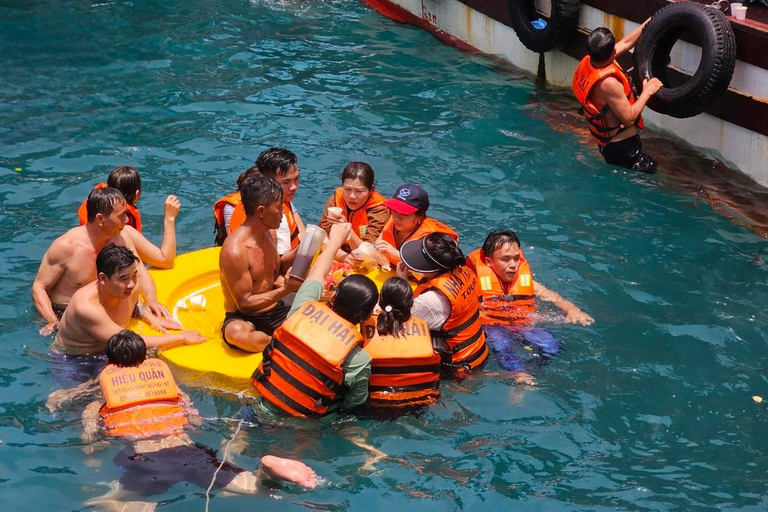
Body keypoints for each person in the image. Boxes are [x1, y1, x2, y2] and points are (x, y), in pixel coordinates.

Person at [52, 330, 316, 510]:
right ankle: (265, 471)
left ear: (109, 364)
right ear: (146, 360)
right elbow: (196, 422)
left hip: (146, 461)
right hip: (189, 452)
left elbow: (89, 439)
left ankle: (117, 497)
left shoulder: (100, 403)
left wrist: (91, 453)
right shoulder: (174, 391)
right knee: (257, 488)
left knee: (125, 499)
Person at [251, 222, 379, 418]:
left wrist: (335, 240)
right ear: (367, 316)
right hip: (307, 426)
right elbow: (355, 401)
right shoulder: (358, 359)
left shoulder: (302, 309)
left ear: (333, 296)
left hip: (262, 406)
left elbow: (318, 272)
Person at [52, 244, 204, 387]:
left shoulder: (129, 289)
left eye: (134, 276)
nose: (131, 284)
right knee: (92, 405)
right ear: (103, 278)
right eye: (123, 278)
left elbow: (135, 306)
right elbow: (129, 342)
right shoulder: (86, 306)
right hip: (76, 361)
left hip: (111, 352)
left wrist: (149, 317)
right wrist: (182, 337)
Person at [33, 187, 170, 336]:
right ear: (100, 219)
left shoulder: (119, 240)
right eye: (121, 216)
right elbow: (39, 287)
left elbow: (137, 275)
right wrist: (52, 320)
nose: (126, 220)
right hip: (65, 315)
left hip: (103, 309)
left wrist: (150, 304)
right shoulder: (66, 247)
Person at [219, 173, 301, 352]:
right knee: (236, 334)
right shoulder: (235, 250)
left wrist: (304, 250)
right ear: (261, 211)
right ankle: (283, 340)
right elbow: (245, 304)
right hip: (246, 317)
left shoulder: (268, 233)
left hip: (277, 307)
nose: (283, 213)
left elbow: (276, 269)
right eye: (279, 208)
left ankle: (280, 339)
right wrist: (285, 289)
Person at [572, 21, 663, 173]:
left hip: (610, 145)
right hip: (622, 149)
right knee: (658, 177)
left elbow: (627, 42)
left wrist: (654, 19)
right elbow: (629, 118)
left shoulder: (590, 60)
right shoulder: (608, 84)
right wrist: (647, 91)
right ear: (612, 52)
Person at [398, 233, 488, 377]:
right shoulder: (466, 272)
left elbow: (397, 320)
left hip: (457, 369)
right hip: (478, 352)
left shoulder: (432, 300)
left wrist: (401, 282)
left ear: (431, 268)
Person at [466, 230, 594, 326]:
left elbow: (554, 298)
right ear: (489, 262)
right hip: (495, 329)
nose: (513, 265)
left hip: (524, 325)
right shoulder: (473, 285)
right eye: (505, 259)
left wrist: (572, 310)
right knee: (508, 356)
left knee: (551, 347)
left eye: (516, 258)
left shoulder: (527, 282)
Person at [77, 165, 180, 269]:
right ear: (137, 194)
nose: (126, 219)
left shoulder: (91, 217)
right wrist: (169, 219)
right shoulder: (124, 233)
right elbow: (166, 261)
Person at [360, 277, 440, 408]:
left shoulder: (366, 326)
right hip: (421, 402)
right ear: (411, 303)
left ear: (380, 302)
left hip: (378, 404)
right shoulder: (424, 326)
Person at [318, 162, 390, 263]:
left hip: (363, 254)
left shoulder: (379, 210)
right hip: (339, 251)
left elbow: (368, 253)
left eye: (359, 191)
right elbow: (323, 235)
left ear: (371, 190)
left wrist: (347, 230)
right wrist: (344, 257)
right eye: (347, 189)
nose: (352, 196)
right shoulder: (335, 200)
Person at [374, 184, 457, 267]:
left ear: (419, 216)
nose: (397, 217)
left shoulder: (431, 239)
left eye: (404, 213)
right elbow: (375, 246)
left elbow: (431, 272)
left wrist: (397, 254)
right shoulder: (394, 220)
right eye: (395, 210)